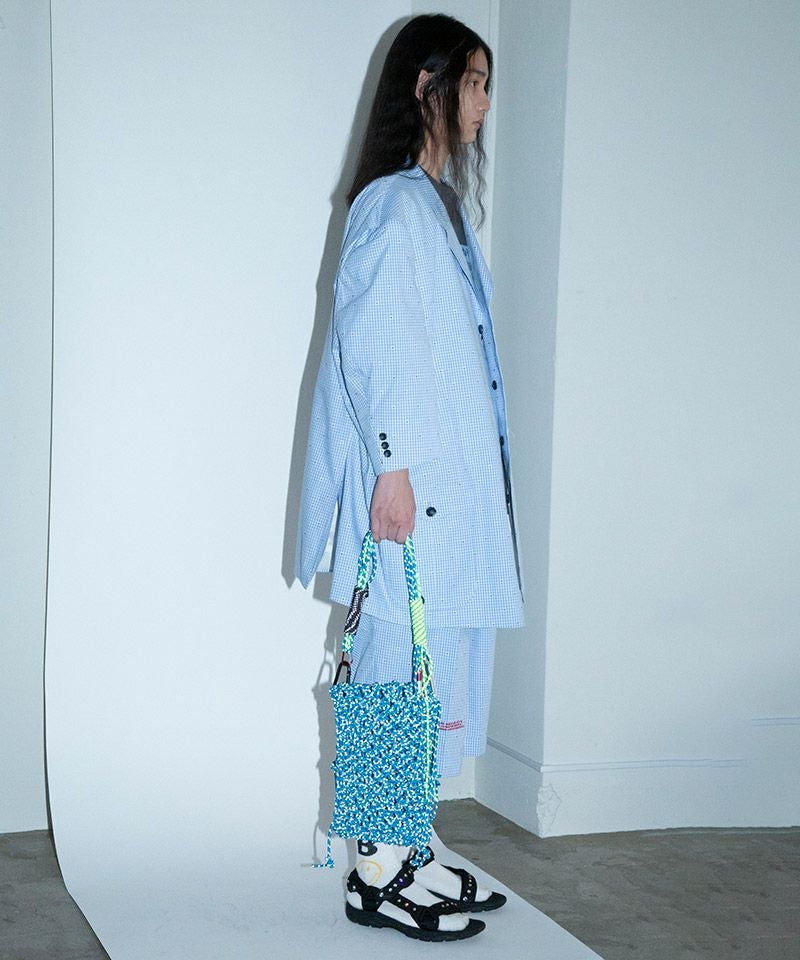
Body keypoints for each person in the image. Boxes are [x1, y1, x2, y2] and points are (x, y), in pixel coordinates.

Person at [296, 13, 523, 942]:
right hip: (411, 490)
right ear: (428, 87)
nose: (483, 104)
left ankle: (409, 846)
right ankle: (377, 874)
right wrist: (389, 466)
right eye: (474, 82)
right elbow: (375, 341)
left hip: (449, 494)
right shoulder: (393, 205)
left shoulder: (438, 207)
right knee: (395, 667)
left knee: (430, 670)